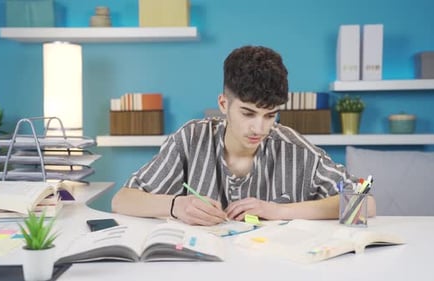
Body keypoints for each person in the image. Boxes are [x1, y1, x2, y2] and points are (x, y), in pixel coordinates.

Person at [112, 45, 376, 225]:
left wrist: (279, 211)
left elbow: (367, 203)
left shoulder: (296, 148)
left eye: (270, 115)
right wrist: (175, 205)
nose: (260, 128)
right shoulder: (190, 139)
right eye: (248, 114)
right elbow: (121, 200)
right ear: (224, 105)